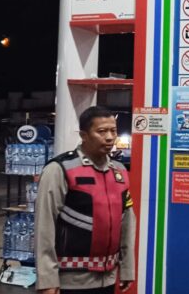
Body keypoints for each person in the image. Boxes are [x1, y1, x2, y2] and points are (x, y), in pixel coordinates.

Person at [35, 106, 136, 294]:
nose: (109, 137)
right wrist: (47, 280)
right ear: (84, 135)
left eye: (113, 131)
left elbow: (127, 222)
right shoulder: (60, 169)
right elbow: (44, 226)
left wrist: (127, 268)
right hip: (70, 283)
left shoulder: (119, 171)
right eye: (101, 131)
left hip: (108, 280)